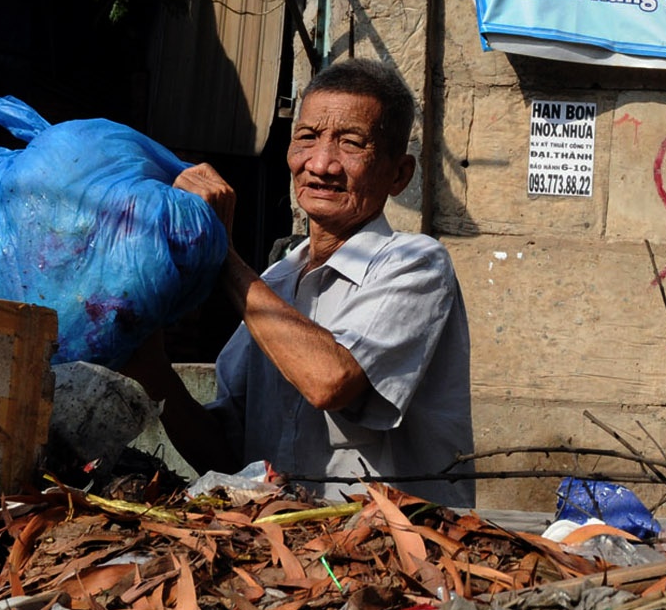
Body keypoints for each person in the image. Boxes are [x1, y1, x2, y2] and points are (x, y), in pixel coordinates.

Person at [130, 59, 474, 505]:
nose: (322, 164)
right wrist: (150, 365)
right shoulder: (276, 280)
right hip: (286, 554)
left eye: (351, 143)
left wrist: (224, 255)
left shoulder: (416, 263)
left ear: (398, 174)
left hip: (389, 557)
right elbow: (231, 456)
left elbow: (329, 381)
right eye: (307, 138)